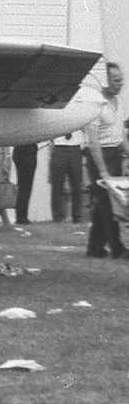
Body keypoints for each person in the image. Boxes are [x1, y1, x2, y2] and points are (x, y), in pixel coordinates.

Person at [85, 62, 125, 259]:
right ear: (106, 80)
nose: (121, 84)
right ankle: (117, 249)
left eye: (122, 79)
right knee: (109, 205)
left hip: (115, 154)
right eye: (116, 80)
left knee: (104, 204)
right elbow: (93, 143)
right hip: (100, 158)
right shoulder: (96, 103)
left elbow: (119, 134)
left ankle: (94, 249)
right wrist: (102, 171)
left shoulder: (118, 101)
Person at [49, 131, 85, 223]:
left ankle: (77, 216)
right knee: (57, 185)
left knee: (77, 184)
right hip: (59, 147)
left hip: (75, 147)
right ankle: (57, 217)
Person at [13, 141, 40, 224]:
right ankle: (22, 216)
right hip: (28, 152)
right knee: (26, 186)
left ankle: (20, 215)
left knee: (21, 185)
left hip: (18, 150)